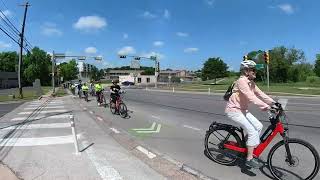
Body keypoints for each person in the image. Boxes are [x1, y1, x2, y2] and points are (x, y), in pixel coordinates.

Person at [225, 60, 275, 169]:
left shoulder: (251, 83)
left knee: (259, 126)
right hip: (234, 111)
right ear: (246, 71)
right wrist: (267, 107)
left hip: (243, 110)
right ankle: (249, 159)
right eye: (253, 70)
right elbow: (251, 97)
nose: (255, 72)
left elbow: (260, 94)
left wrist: (273, 103)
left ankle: (247, 146)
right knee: (252, 131)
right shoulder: (242, 81)